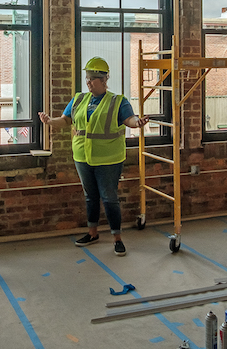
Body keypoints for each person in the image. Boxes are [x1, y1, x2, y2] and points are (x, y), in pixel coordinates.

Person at [38, 57, 149, 256]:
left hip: (109, 159)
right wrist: (50, 121)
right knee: (90, 197)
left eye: (92, 79)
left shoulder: (117, 101)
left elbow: (129, 119)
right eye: (87, 78)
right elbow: (66, 120)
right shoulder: (79, 99)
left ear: (104, 80)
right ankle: (92, 233)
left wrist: (137, 123)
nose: (88, 82)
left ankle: (117, 238)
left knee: (109, 198)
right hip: (83, 157)